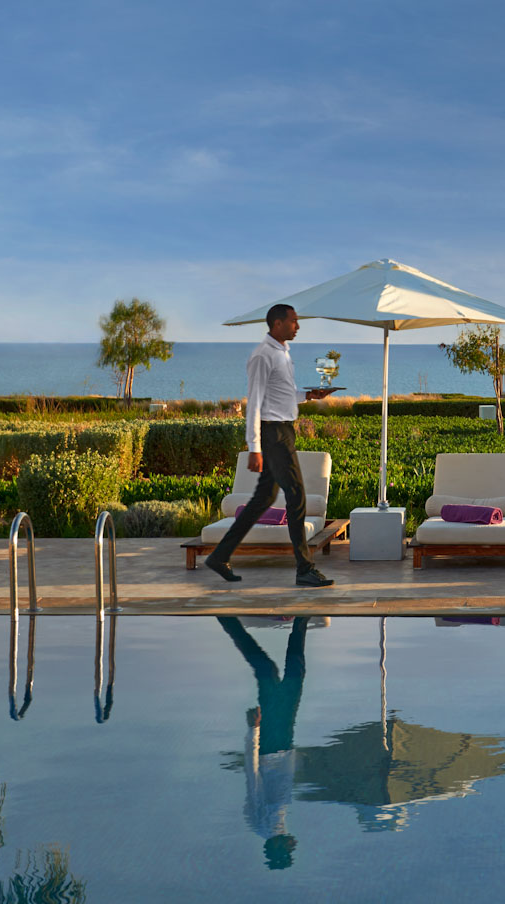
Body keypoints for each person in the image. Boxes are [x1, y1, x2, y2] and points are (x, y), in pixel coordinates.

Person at [206, 303, 337, 587]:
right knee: (297, 496)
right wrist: (254, 447)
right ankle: (304, 568)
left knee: (264, 499)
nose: (297, 326)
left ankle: (219, 555)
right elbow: (254, 402)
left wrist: (308, 394)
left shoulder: (280, 354)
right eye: (293, 321)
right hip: (273, 434)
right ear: (277, 324)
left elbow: (281, 394)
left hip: (283, 430)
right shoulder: (263, 356)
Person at [217, 617, 308, 869]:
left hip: (270, 743)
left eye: (289, 851)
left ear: (277, 849)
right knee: (280, 674)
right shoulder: (272, 826)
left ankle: (228, 619)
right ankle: (299, 621)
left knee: (273, 673)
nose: (294, 845)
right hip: (283, 744)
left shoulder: (261, 822)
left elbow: (252, 775)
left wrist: (253, 730)